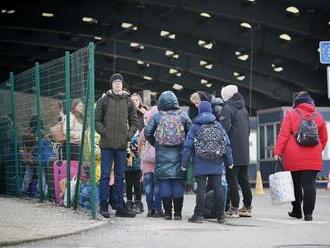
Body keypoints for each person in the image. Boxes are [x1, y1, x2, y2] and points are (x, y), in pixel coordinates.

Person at [274, 91, 328, 221]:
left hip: (293, 156)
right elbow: (324, 138)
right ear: (311, 104)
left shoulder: (291, 114)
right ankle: (308, 214)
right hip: (313, 156)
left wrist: (277, 152)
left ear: (297, 104)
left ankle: (297, 211)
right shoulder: (318, 116)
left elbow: (284, 134)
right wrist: (318, 149)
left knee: (295, 184)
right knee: (310, 185)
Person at [181, 101, 233, 224]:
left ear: (199, 111)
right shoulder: (218, 125)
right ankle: (221, 216)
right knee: (218, 187)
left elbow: (188, 146)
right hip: (216, 161)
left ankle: (198, 215)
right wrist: (230, 160)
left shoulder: (195, 126)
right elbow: (226, 143)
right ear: (211, 111)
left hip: (200, 162)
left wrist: (184, 163)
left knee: (201, 189)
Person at [95, 73, 138, 218]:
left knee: (120, 176)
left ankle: (120, 207)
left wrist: (128, 135)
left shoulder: (129, 102)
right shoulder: (103, 101)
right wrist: (105, 133)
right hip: (106, 144)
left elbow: (134, 122)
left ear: (122, 84)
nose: (118, 84)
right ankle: (103, 205)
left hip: (121, 145)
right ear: (111, 85)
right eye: (115, 82)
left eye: (120, 82)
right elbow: (97, 121)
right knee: (105, 176)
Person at [145, 91, 191, 220]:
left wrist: (156, 143)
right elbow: (190, 133)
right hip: (179, 155)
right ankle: (177, 213)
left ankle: (167, 213)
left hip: (162, 156)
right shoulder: (183, 116)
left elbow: (148, 132)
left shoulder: (157, 117)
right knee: (177, 183)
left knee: (164, 183)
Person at [220, 85, 252, 218]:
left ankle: (234, 208)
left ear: (226, 96)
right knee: (243, 179)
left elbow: (223, 130)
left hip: (232, 150)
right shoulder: (244, 109)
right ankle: (247, 206)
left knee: (231, 178)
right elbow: (249, 129)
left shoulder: (227, 109)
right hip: (244, 149)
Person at [138, 105, 163, 217]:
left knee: (148, 187)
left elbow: (140, 144)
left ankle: (150, 210)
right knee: (158, 187)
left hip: (147, 162)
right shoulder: (162, 127)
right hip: (159, 161)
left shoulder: (146, 128)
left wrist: (141, 155)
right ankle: (158, 209)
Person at [124, 93, 147, 214]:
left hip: (139, 151)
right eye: (132, 100)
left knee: (137, 180)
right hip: (127, 150)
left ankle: (138, 202)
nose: (134, 102)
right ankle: (128, 201)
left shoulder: (144, 116)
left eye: (136, 100)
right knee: (128, 179)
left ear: (140, 101)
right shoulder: (125, 115)